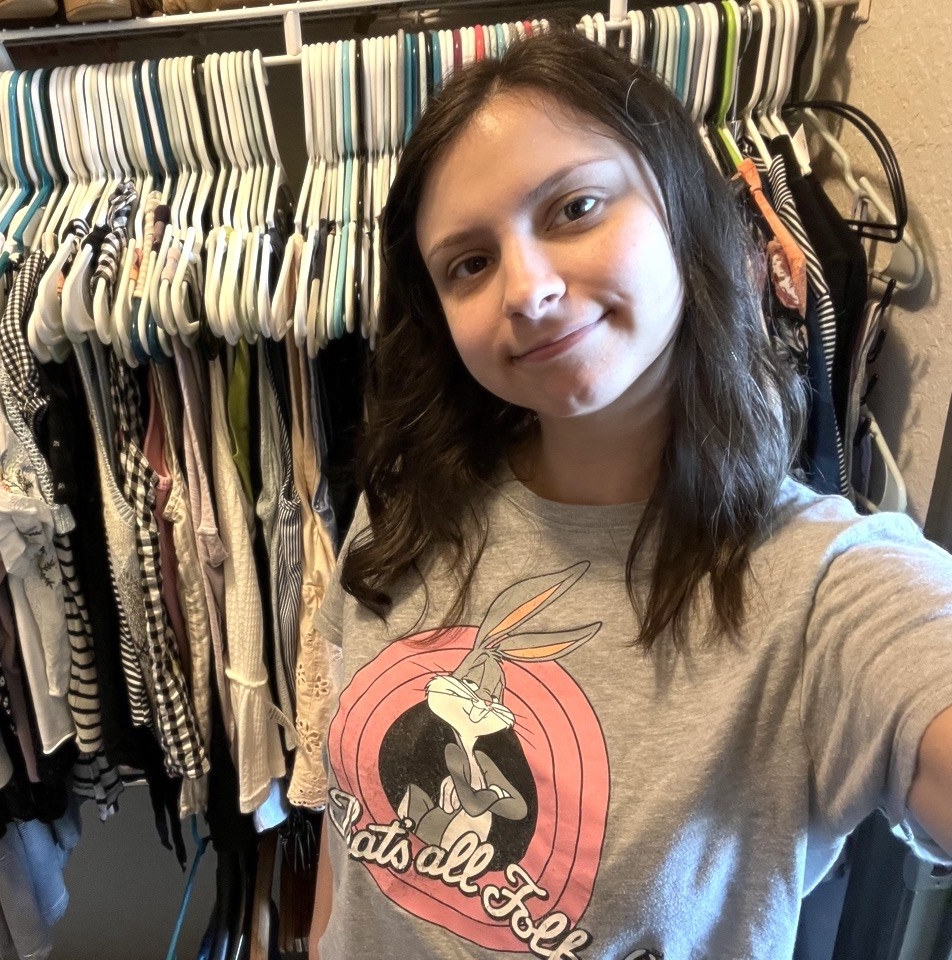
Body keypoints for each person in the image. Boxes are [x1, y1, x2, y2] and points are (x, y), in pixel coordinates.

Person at [307, 29, 952, 960]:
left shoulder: (823, 589)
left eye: (573, 208)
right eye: (469, 263)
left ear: (683, 212)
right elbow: (352, 828)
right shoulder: (407, 510)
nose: (525, 289)